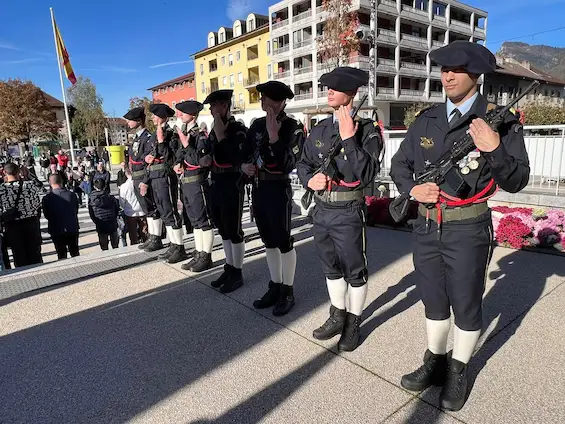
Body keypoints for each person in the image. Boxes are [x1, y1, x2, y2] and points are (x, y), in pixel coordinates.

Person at [390, 41, 530, 411]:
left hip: (468, 228)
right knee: (433, 300)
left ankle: (458, 369)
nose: (447, 76)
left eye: (456, 70)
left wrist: (495, 147)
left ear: (476, 75)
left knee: (466, 304)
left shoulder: (499, 120)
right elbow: (399, 165)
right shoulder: (427, 118)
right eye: (443, 69)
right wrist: (412, 189)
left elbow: (517, 179)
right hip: (427, 227)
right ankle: (435, 361)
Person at [296, 67, 383, 352]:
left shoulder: (367, 131)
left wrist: (349, 139)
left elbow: (368, 172)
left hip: (348, 210)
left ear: (352, 92)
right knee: (329, 266)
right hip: (322, 209)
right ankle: (337, 314)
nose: (329, 91)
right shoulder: (320, 128)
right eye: (327, 87)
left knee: (354, 270)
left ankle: (354, 321)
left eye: (335, 87)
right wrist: (309, 180)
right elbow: (303, 163)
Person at [241, 81, 304, 316]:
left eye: (265, 98)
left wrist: (275, 137)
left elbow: (289, 164)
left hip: (278, 189)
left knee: (283, 240)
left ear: (278, 102)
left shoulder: (292, 128)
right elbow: (245, 152)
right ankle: (275, 286)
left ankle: (288, 291)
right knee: (268, 240)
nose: (262, 102)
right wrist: (243, 166)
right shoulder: (256, 125)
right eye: (262, 98)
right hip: (259, 188)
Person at [203, 89, 248, 293]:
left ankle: (237, 272)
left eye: (213, 106)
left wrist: (221, 137)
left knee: (234, 229)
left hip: (232, 182)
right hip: (217, 181)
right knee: (222, 228)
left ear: (223, 106)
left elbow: (235, 155)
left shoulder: (237, 129)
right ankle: (229, 266)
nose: (211, 110)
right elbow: (213, 152)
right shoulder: (215, 129)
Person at [139, 103, 187, 264]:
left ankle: (180, 247)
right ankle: (173, 245)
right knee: (164, 212)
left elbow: (170, 157)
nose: (152, 118)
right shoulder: (154, 135)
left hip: (166, 176)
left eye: (154, 115)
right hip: (155, 176)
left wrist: (161, 143)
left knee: (171, 211)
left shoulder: (171, 134)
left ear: (161, 116)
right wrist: (147, 159)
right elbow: (148, 155)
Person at [173, 100, 214, 272]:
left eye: (182, 112)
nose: (179, 114)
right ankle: (198, 252)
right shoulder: (185, 133)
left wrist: (186, 145)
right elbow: (183, 158)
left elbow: (201, 161)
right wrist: (178, 164)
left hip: (198, 183)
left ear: (193, 114)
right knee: (195, 221)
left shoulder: (200, 135)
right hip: (187, 183)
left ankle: (207, 256)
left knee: (203, 221)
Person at [124, 106, 162, 251]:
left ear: (139, 121)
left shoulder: (147, 137)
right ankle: (152, 236)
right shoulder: (136, 138)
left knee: (151, 208)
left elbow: (148, 162)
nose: (128, 123)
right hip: (135, 177)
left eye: (130, 120)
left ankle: (156, 238)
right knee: (146, 209)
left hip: (143, 177)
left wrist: (145, 180)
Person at [0, 163, 43, 268]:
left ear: (4, 172)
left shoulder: (2, 189)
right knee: (35, 252)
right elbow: (37, 204)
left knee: (18, 253)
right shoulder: (30, 185)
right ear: (19, 171)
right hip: (31, 223)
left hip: (12, 225)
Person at [42, 173, 80, 259]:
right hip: (72, 227)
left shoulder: (47, 198)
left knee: (61, 254)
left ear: (50, 183)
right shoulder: (72, 195)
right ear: (62, 181)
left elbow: (46, 214)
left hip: (56, 228)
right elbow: (76, 209)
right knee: (75, 252)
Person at [118, 167, 148, 245]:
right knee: (144, 229)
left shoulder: (124, 186)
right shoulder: (140, 182)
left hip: (130, 211)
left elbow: (122, 201)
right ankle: (146, 241)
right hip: (142, 209)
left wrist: (124, 207)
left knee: (132, 231)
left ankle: (134, 244)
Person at [88, 179, 120, 251]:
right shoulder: (110, 197)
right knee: (115, 245)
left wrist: (96, 221)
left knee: (104, 245)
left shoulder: (92, 199)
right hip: (112, 221)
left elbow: (91, 213)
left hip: (100, 222)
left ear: (94, 187)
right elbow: (116, 208)